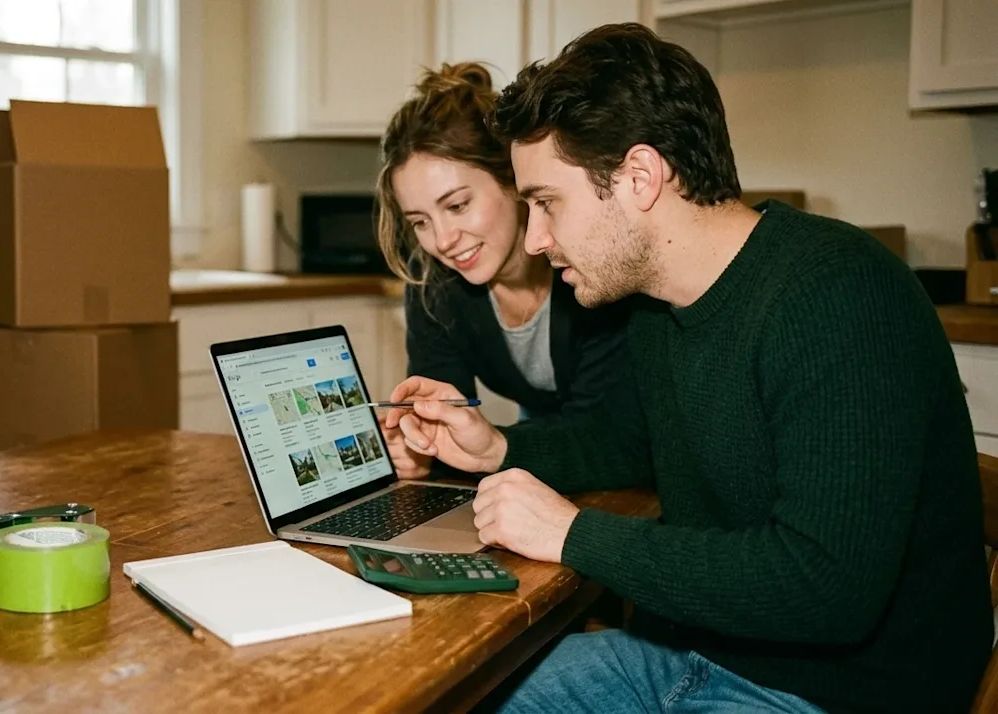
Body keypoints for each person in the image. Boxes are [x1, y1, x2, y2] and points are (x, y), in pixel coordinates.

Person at [386, 23, 993, 714]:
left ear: (640, 177)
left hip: (839, 694)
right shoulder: (654, 307)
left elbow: (826, 588)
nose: (536, 237)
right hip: (693, 658)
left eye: (547, 202)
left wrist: (574, 534)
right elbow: (624, 442)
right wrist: (497, 447)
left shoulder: (839, 293)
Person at [375, 61, 630, 480]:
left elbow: (616, 437)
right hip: (554, 458)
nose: (442, 241)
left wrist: (500, 446)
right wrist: (422, 446)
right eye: (420, 221)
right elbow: (444, 417)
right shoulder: (434, 283)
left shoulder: (593, 265)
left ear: (513, 181)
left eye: (457, 205)